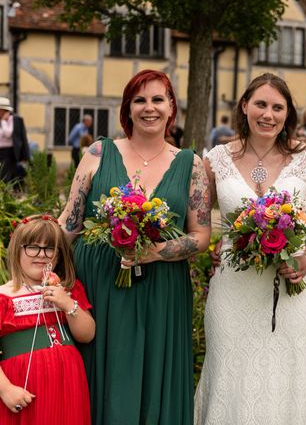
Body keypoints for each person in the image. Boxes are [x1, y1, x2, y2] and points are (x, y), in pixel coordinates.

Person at [58, 69, 211, 425]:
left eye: (158, 99)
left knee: (152, 375)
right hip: (99, 284)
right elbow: (71, 221)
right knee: (102, 371)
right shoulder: (98, 152)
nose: (149, 108)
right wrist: (37, 266)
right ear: (127, 109)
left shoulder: (191, 164)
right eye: (139, 100)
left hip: (161, 289)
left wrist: (154, 252)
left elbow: (200, 235)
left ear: (171, 107)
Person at [196, 73, 306, 424]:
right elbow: (200, 224)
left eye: (277, 107)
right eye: (261, 104)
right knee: (230, 377)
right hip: (233, 289)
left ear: (288, 114)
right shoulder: (216, 159)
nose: (268, 114)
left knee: (289, 381)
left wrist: (302, 260)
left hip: (292, 294)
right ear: (244, 106)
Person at [0, 214, 95, 424]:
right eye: (32, 247)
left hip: (67, 382)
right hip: (22, 386)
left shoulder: (68, 289)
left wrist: (68, 304)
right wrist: (5, 389)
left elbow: (87, 334)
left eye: (50, 248)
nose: (42, 255)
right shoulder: (4, 297)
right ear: (17, 250)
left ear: (59, 256)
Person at [0, 98, 30, 186]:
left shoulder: (13, 120)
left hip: (8, 153)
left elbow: (8, 133)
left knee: (5, 176)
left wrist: (3, 121)